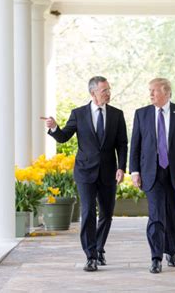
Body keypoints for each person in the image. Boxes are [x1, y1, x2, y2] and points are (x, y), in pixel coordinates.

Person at [41, 76, 128, 272]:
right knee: (88, 212)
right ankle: (91, 256)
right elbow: (63, 137)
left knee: (106, 214)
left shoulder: (117, 114)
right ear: (93, 93)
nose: (108, 93)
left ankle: (98, 247)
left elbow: (122, 144)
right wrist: (54, 127)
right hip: (85, 172)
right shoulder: (78, 114)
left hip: (108, 172)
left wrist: (121, 167)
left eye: (109, 89)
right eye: (104, 90)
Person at [129, 78, 175, 274]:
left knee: (174, 214)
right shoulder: (141, 114)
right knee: (156, 214)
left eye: (154, 91)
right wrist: (134, 171)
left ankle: (171, 250)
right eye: (149, 90)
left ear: (167, 93)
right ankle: (156, 257)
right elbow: (135, 144)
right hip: (151, 172)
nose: (150, 94)